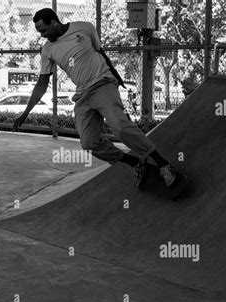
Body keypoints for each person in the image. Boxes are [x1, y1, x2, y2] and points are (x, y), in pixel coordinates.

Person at [13, 8, 176, 188]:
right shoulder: (48, 50)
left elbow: (101, 54)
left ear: (53, 22)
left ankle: (163, 164)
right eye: (40, 32)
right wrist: (25, 113)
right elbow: (42, 83)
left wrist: (116, 77)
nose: (42, 35)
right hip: (83, 95)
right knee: (89, 143)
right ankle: (134, 162)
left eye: (43, 30)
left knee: (120, 128)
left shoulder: (84, 28)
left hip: (102, 84)